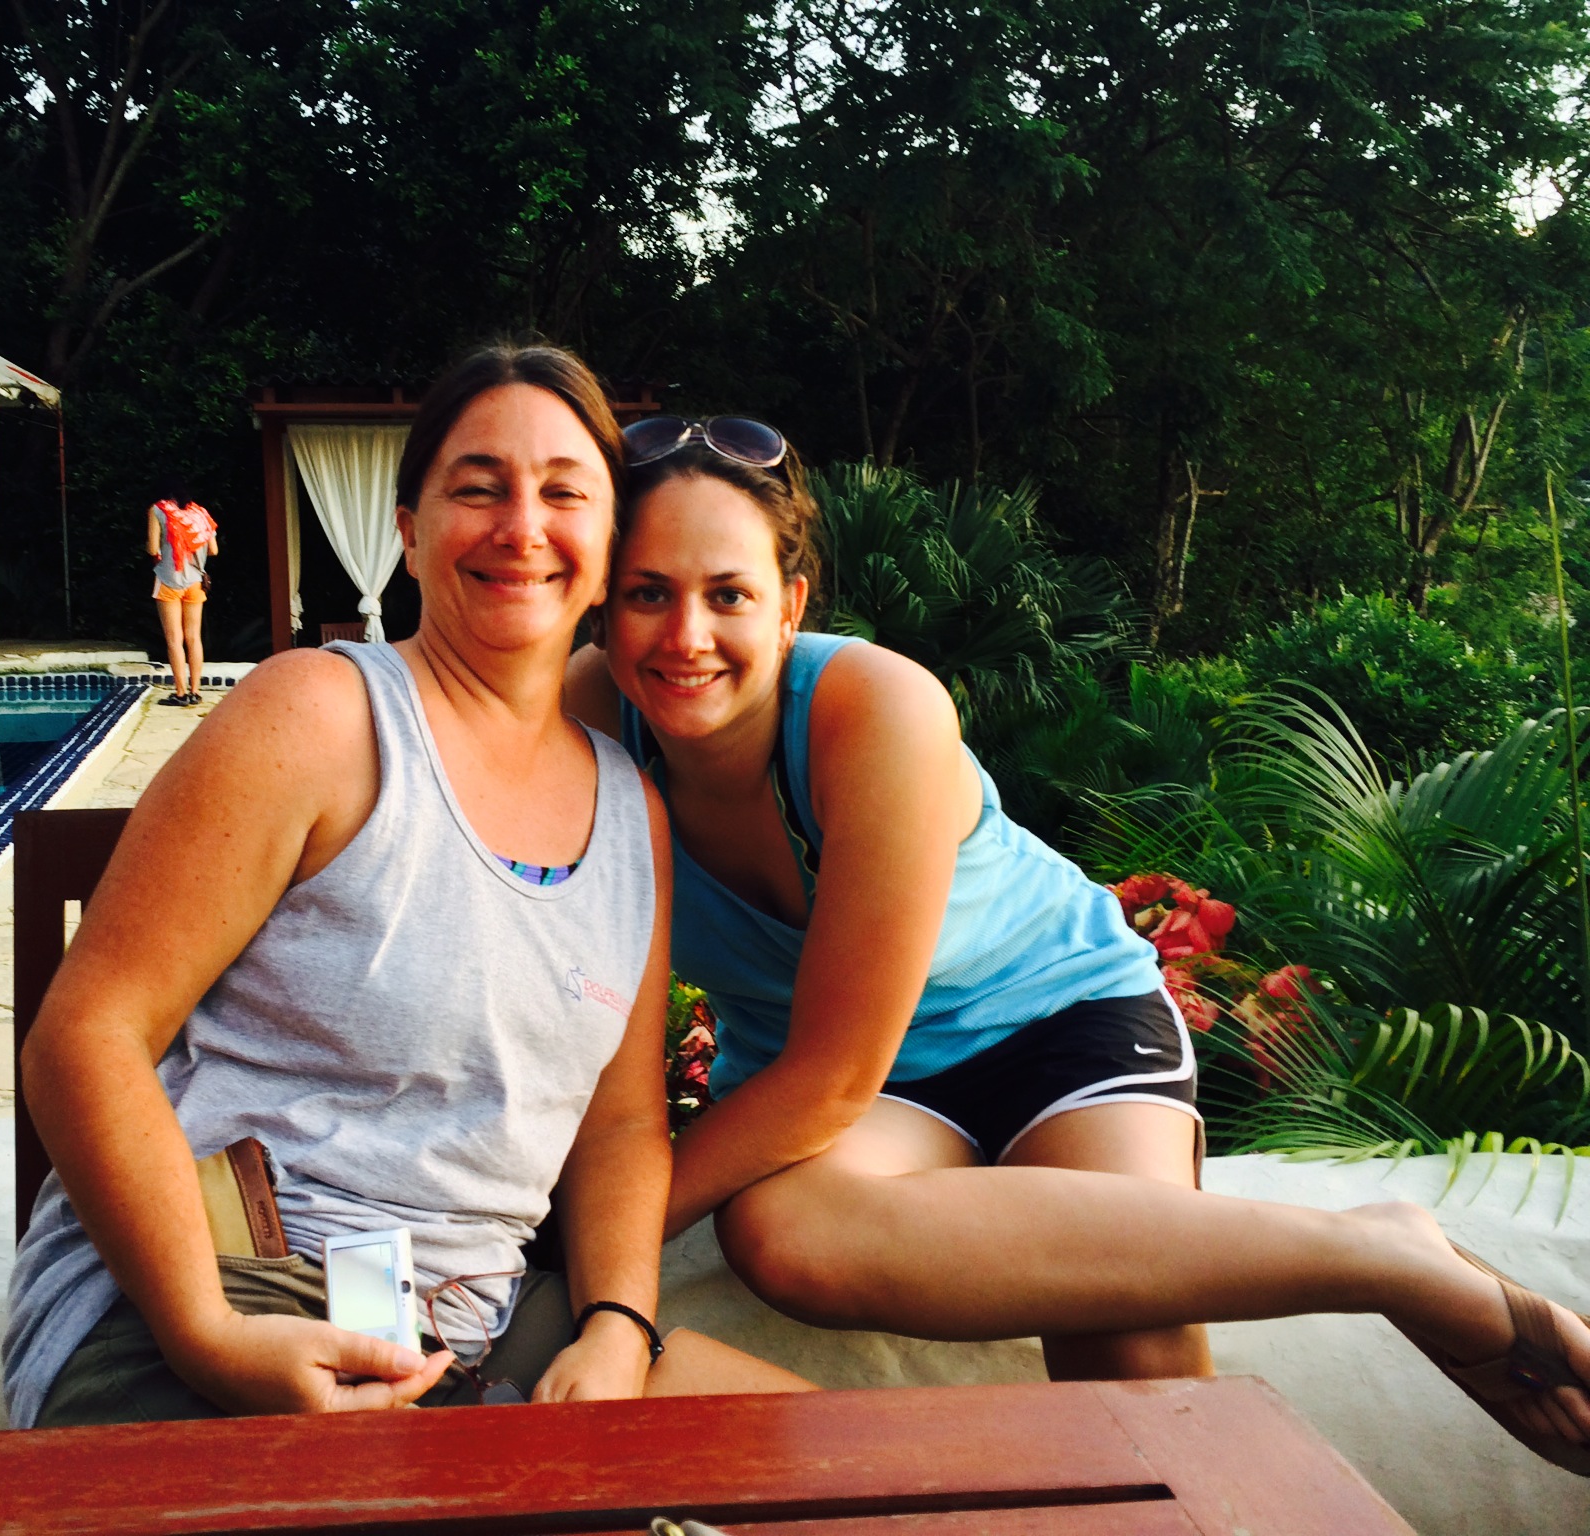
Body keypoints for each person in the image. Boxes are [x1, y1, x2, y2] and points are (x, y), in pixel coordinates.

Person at [562, 414, 1590, 1475]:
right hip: (875, 1105)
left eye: (727, 594)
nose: (685, 636)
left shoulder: (871, 707)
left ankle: (1384, 1254)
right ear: (601, 603)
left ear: (790, 604)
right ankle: (1378, 1257)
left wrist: (591, 1237)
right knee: (786, 1237)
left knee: (1131, 1354)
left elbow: (831, 1075)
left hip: (1061, 1024)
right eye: (648, 593)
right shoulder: (585, 727)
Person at [4, 351, 806, 1428]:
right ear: (409, 532)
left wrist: (616, 1322)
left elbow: (620, 1125)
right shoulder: (321, 717)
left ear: (611, 546)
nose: (521, 527)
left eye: (564, 492)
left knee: (847, 1472)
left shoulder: (632, 815)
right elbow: (87, 1034)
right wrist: (208, 1332)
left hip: (469, 1327)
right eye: (478, 487)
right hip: (224, 1286)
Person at [146, 485, 218, 705]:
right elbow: (213, 550)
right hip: (195, 582)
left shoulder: (158, 510)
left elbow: (152, 549)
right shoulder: (201, 513)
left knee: (174, 640)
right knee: (194, 637)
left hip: (169, 580)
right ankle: (195, 692)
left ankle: (180, 693)